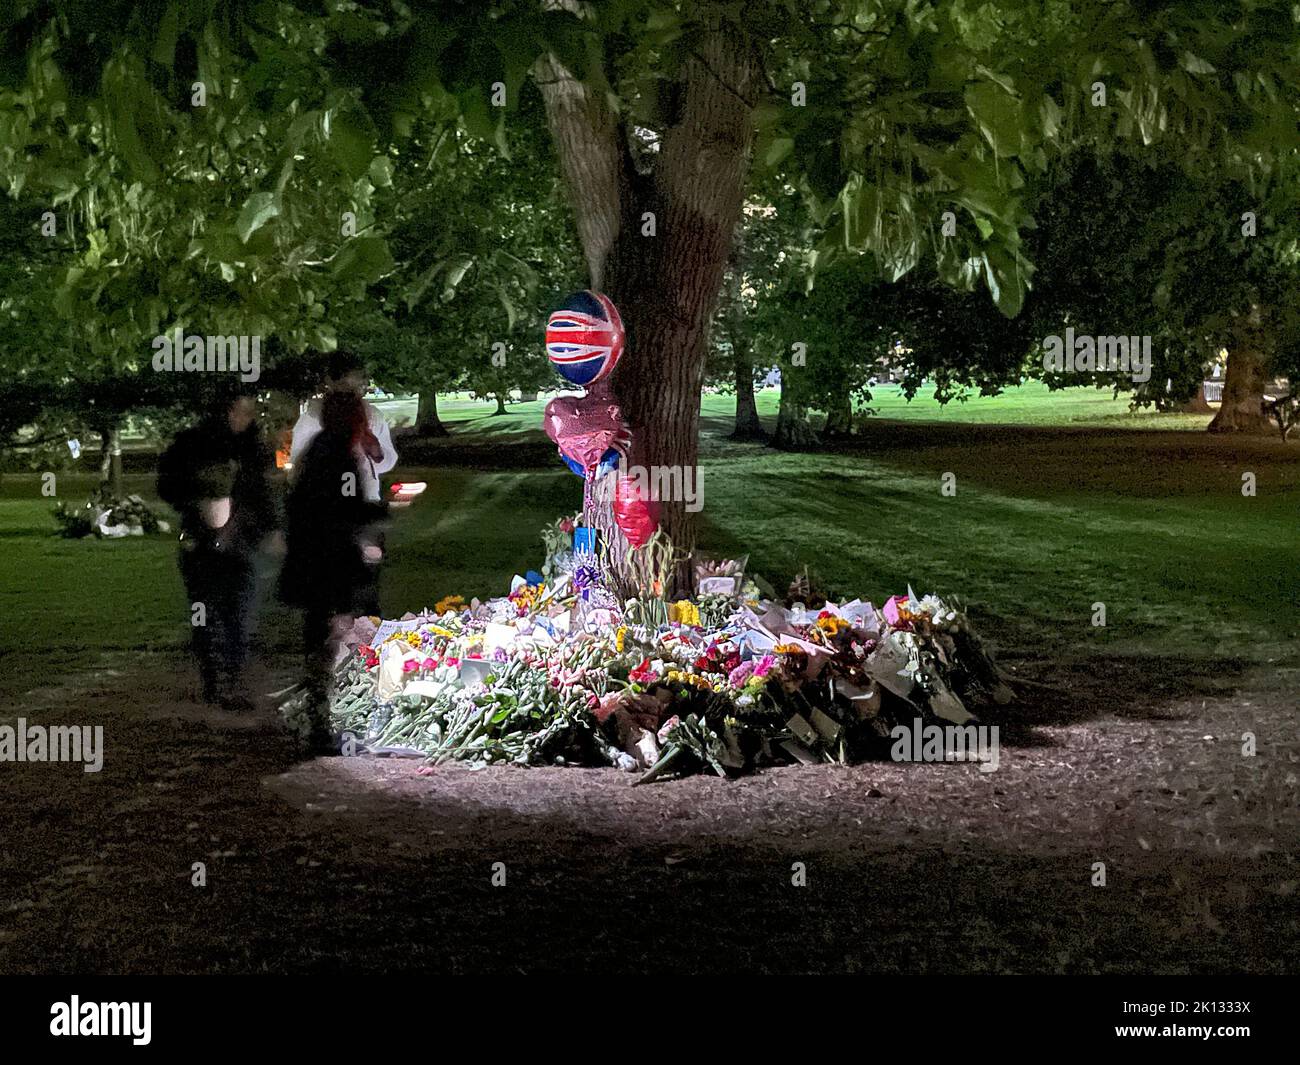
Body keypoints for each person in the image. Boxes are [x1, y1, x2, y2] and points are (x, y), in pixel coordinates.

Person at [280, 390, 394, 754]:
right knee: (331, 638)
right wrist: (387, 511)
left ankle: (320, 717)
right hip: (329, 561)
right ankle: (322, 720)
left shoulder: (319, 450)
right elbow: (345, 510)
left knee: (320, 638)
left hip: (315, 559)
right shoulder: (336, 456)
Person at [158, 385, 279, 712]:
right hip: (200, 545)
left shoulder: (251, 448)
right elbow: (167, 485)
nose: (246, 418)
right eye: (241, 411)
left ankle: (234, 678)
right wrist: (199, 497)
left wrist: (268, 527)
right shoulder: (191, 445)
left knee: (239, 613)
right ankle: (214, 680)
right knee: (205, 615)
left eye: (250, 412)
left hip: (240, 546)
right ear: (224, 411)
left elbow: (261, 493)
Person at [289, 350, 397, 501]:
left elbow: (386, 461)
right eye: (346, 386)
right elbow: (298, 466)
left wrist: (378, 453)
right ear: (332, 384)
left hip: (365, 501)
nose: (353, 393)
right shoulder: (312, 420)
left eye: (358, 384)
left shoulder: (372, 417)